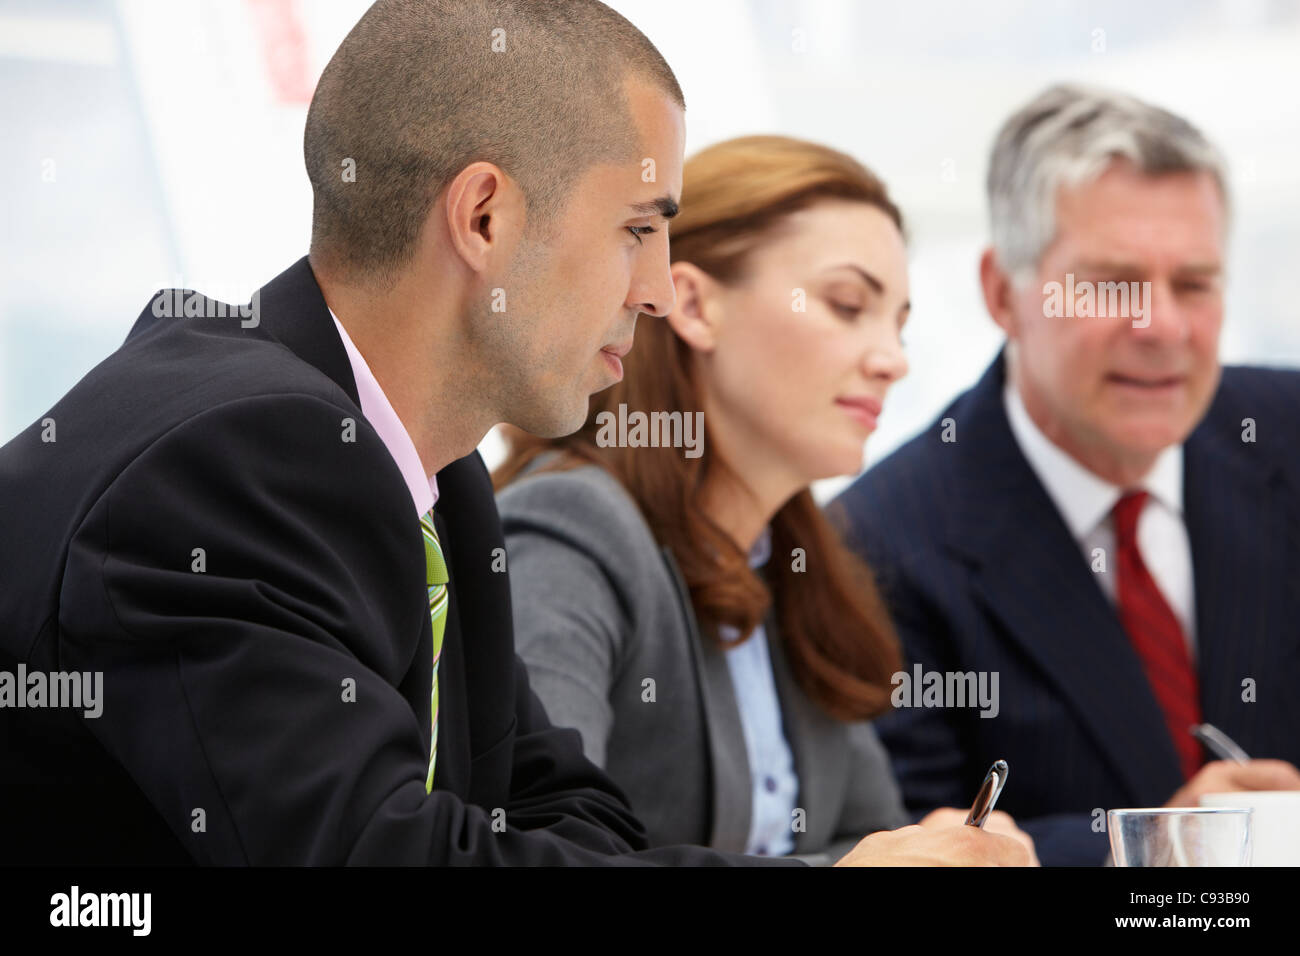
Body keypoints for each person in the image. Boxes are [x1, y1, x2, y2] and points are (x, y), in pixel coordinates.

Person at [0, 0, 1028, 868]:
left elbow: (575, 816)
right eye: (637, 227)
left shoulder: (434, 476)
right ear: (484, 217)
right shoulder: (240, 456)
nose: (660, 289)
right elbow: (382, 855)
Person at [494, 135, 1037, 865]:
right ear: (691, 304)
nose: (893, 360)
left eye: (900, 324)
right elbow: (539, 855)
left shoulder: (794, 562)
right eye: (848, 305)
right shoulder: (570, 529)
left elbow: (854, 835)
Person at [831, 84, 1300, 866]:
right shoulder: (878, 545)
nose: (1161, 327)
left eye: (1194, 284)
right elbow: (898, 843)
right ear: (1000, 293)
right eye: (1111, 284)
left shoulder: (1288, 434)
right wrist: (1155, 843)